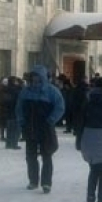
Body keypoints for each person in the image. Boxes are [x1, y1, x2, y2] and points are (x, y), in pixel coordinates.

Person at [16, 65, 65, 193]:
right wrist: (21, 121)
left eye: (38, 78)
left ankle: (46, 182)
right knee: (30, 156)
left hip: (46, 129)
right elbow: (19, 107)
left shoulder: (52, 91)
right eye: (33, 78)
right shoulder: (26, 92)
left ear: (43, 78)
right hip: (30, 128)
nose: (35, 80)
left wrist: (51, 120)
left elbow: (60, 107)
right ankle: (33, 180)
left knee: (47, 155)